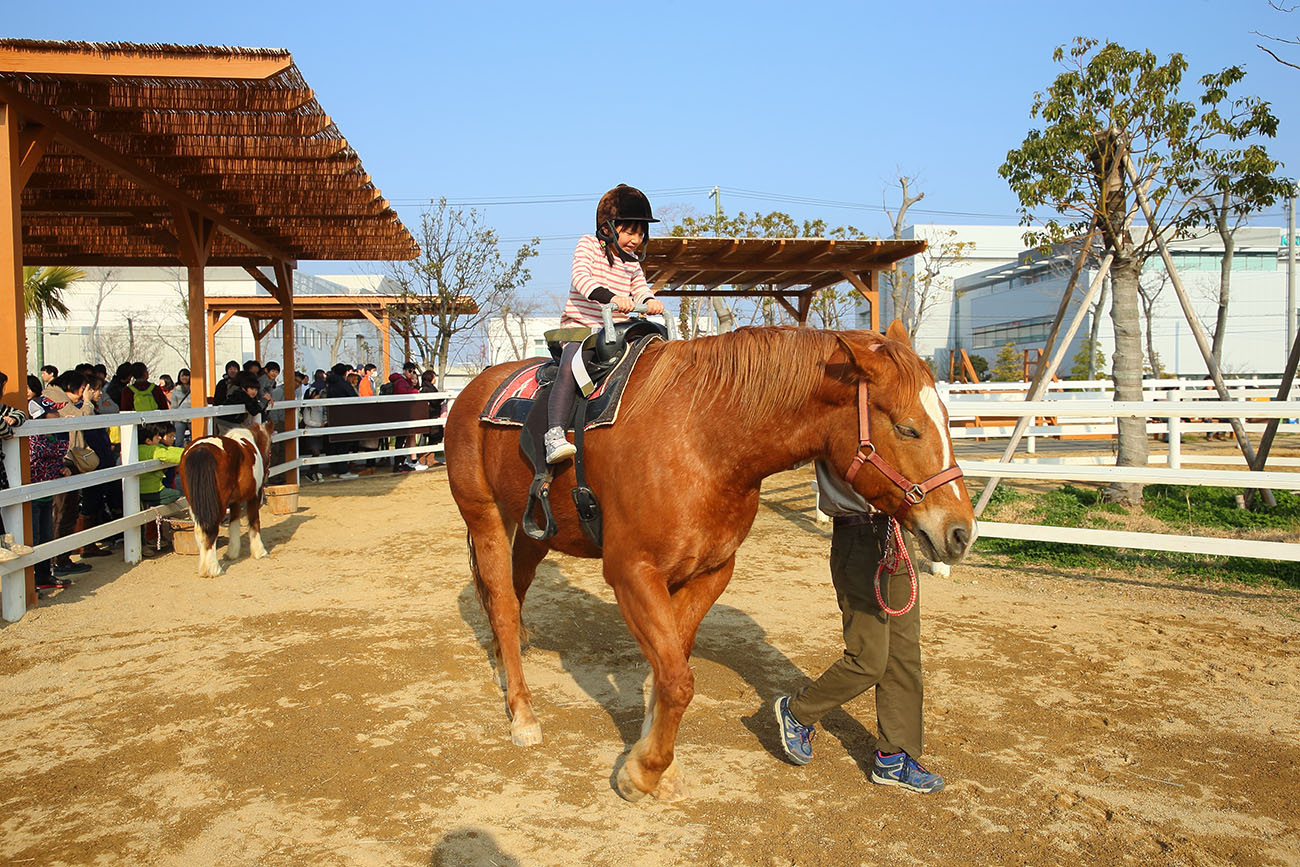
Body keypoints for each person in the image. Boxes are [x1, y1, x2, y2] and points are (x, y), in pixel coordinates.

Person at [772, 459, 945, 795]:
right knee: (868, 660)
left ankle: (895, 756)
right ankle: (797, 711)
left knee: (904, 654)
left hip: (896, 534)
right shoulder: (834, 409)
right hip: (857, 534)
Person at [545, 184, 665, 464]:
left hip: (617, 332)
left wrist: (650, 301)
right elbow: (581, 279)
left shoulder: (632, 262)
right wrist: (612, 298)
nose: (636, 239)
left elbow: (641, 288)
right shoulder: (588, 244)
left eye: (641, 232)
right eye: (630, 231)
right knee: (573, 365)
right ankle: (554, 434)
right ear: (609, 228)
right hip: (582, 328)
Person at [138, 424, 183, 507]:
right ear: (148, 441)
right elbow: (168, 455)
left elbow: (169, 449)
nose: (159, 438)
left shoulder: (139, 449)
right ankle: (147, 504)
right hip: (152, 490)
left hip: (140, 489)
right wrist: (190, 454)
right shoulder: (152, 449)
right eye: (156, 437)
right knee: (175, 494)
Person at [170, 368, 192, 445]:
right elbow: (174, 405)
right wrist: (172, 418)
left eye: (187, 376)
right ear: (179, 377)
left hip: (192, 417)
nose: (184, 378)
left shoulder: (194, 388)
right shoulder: (176, 389)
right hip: (179, 417)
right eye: (182, 376)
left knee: (194, 438)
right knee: (178, 439)